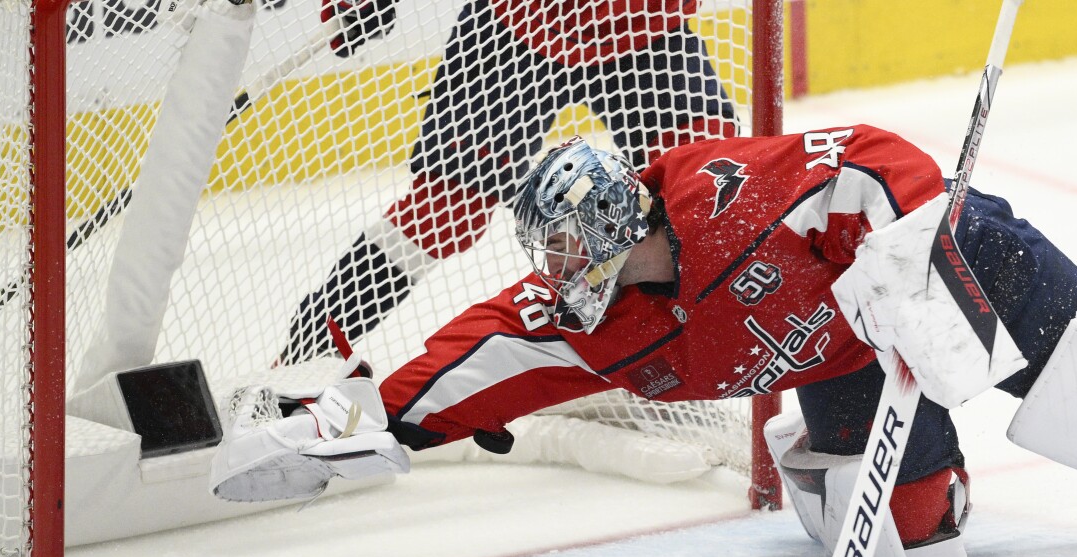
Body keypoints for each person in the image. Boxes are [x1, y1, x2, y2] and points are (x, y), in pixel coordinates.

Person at [214, 125, 1077, 557]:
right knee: (921, 546)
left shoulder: (728, 196)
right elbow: (481, 355)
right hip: (851, 354)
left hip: (957, 264)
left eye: (573, 241)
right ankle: (892, 453)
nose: (560, 266)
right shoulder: (595, 319)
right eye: (550, 249)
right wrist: (377, 421)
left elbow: (867, 156)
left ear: (619, 219)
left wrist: (908, 249)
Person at [280, 0, 739, 364]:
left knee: (707, 188)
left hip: (644, 30)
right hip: (517, 26)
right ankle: (304, 357)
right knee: (440, 214)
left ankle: (650, 358)